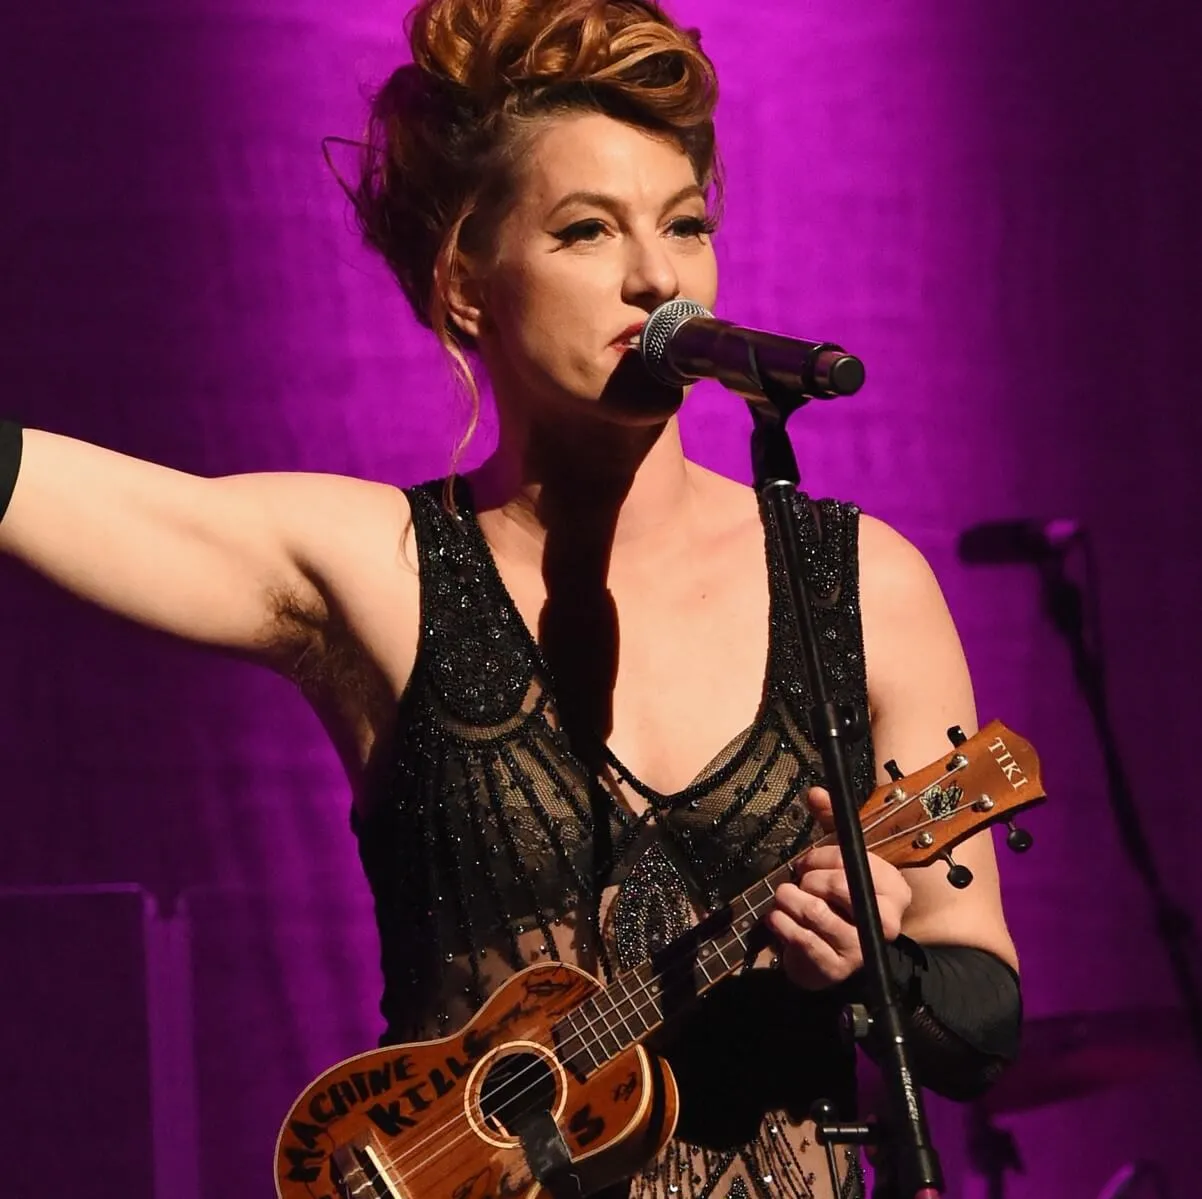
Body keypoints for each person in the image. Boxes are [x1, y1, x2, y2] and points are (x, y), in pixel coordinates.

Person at [0, 1, 1023, 1196]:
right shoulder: (385, 568)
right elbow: (76, 498)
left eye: (685, 226)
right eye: (586, 231)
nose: (656, 277)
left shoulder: (858, 581)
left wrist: (869, 968)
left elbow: (980, 1010)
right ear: (467, 283)